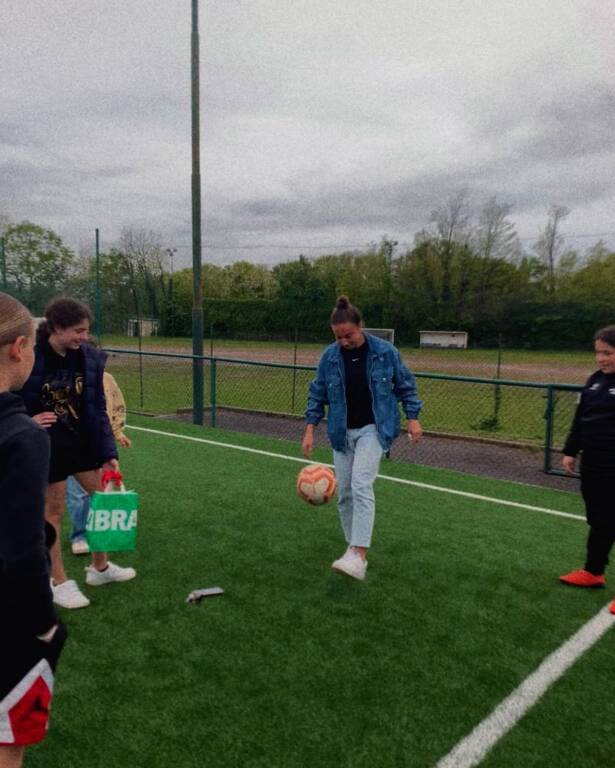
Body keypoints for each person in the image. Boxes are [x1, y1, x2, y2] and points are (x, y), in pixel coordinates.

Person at [18, 297, 136, 610]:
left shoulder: (88, 358)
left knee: (104, 499)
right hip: (47, 445)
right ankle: (57, 580)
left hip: (82, 443)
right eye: (77, 331)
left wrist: (107, 452)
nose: (84, 337)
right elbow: (7, 395)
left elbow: (97, 408)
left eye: (86, 331)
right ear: (56, 327)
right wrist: (26, 421)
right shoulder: (28, 356)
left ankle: (100, 568)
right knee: (52, 511)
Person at [302, 296, 423, 580]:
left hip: (374, 428)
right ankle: (352, 549)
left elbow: (406, 385)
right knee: (343, 494)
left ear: (361, 327)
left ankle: (358, 553)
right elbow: (317, 393)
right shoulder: (329, 357)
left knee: (360, 483)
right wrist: (310, 428)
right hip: (341, 433)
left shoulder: (385, 352)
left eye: (349, 335)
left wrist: (413, 417)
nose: (344, 341)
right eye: (339, 337)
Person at [0, 293, 67, 768]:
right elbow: (22, 553)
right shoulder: (24, 437)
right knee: (8, 738)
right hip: (8, 620)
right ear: (19, 348)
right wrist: (45, 626)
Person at [559, 325, 615, 614]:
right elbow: (581, 419)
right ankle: (593, 572)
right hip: (594, 465)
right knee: (600, 519)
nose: (601, 359)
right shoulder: (594, 381)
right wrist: (570, 450)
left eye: (608, 353)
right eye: (598, 353)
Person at [67, 371, 132, 555]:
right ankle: (79, 535)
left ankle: (102, 530)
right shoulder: (66, 377)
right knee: (78, 493)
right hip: (75, 443)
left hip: (102, 441)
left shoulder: (107, 378)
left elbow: (117, 405)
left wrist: (118, 432)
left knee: (104, 489)